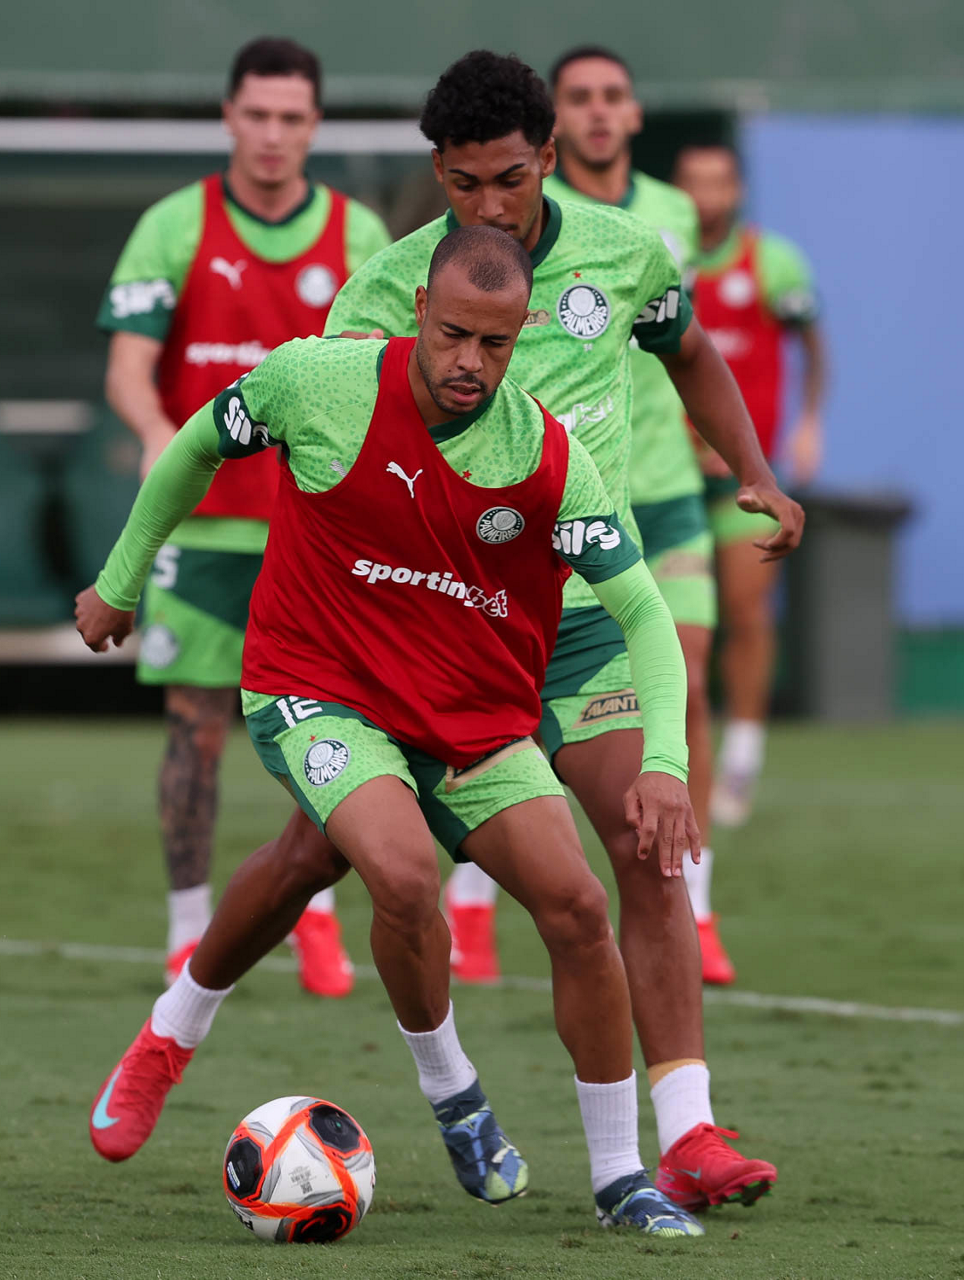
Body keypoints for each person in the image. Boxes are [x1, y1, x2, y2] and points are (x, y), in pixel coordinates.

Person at [79, 52, 800, 1218]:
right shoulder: (375, 299)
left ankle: (677, 1137)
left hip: (561, 629)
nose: (489, 208)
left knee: (632, 851)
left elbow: (691, 356)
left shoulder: (620, 269)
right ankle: (183, 1027)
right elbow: (319, 451)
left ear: (548, 158)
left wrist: (753, 468)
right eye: (463, 185)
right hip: (399, 643)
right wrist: (164, 590)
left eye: (509, 180)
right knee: (329, 858)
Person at [96, 35, 389, 995]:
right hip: (203, 526)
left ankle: (316, 918)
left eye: (290, 117)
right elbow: (128, 368)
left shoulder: (358, 236)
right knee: (197, 728)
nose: (271, 134)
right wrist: (153, 428)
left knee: (336, 727)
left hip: (318, 531)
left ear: (315, 125)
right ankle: (188, 929)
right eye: (256, 114)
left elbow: (386, 375)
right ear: (229, 116)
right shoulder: (173, 225)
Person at [445, 45, 736, 985]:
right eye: (583, 96)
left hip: (649, 499)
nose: (601, 111)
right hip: (487, 570)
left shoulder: (657, 226)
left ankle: (697, 902)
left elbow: (685, 345)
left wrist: (747, 463)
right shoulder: (450, 258)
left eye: (614, 95)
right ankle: (465, 904)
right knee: (462, 777)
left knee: (681, 681)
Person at [672, 142, 826, 830]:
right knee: (670, 631)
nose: (706, 195)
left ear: (737, 190)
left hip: (748, 480)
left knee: (746, 609)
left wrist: (809, 424)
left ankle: (742, 753)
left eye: (719, 182)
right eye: (694, 182)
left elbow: (814, 348)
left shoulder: (773, 263)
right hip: (666, 476)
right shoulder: (661, 260)